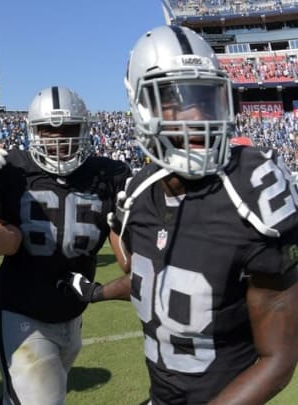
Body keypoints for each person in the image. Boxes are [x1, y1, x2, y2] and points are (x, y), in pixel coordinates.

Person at [70, 25, 298, 404]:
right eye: (173, 100)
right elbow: (153, 279)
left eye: (205, 98)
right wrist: (97, 293)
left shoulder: (253, 192)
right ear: (140, 107)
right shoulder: (138, 194)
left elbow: (279, 357)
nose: (195, 113)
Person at [0, 86, 130, 404]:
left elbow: (131, 263)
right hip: (21, 313)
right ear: (33, 132)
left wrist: (130, 225)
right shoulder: (11, 170)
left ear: (84, 130)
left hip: (72, 316)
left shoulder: (107, 175)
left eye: (67, 129)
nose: (58, 138)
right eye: (48, 130)